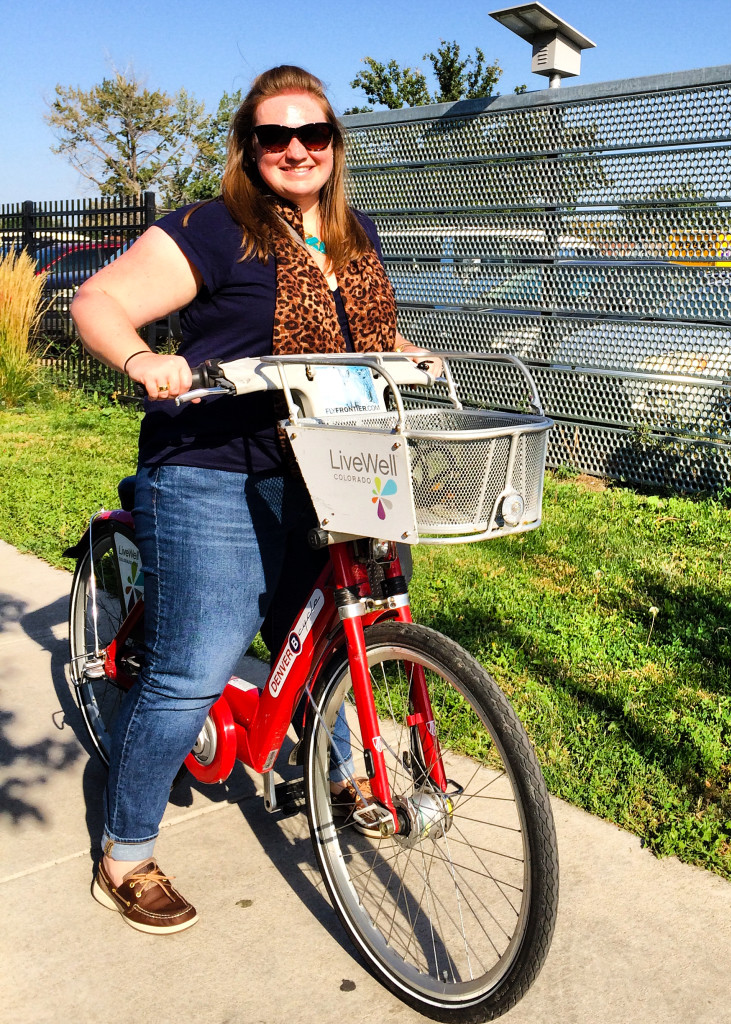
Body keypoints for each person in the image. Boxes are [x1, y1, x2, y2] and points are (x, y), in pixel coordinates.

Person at [71, 65, 432, 934]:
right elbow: (100, 300)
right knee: (192, 668)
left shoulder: (352, 234)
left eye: (314, 134)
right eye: (277, 136)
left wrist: (412, 352)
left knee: (349, 631)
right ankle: (125, 854)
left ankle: (343, 775)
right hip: (213, 465)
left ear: (336, 146)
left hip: (331, 461)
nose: (297, 150)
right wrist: (143, 361)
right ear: (249, 146)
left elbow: (361, 339)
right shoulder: (212, 229)